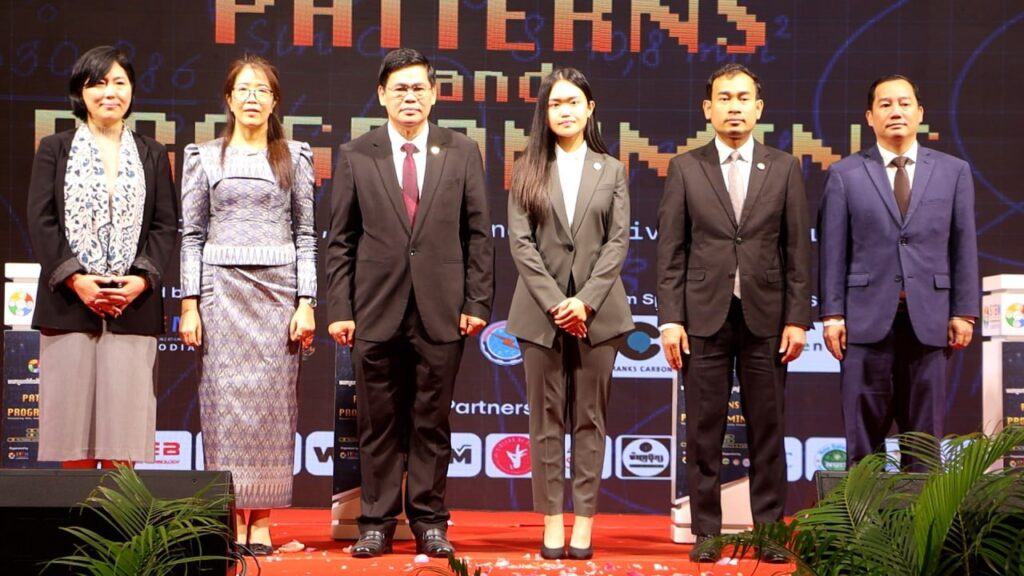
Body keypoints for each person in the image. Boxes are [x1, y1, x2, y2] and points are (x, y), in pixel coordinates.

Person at [326, 48, 494, 559]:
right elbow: (341, 240)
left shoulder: (462, 151)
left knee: (431, 422)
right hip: (374, 309)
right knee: (377, 423)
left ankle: (429, 521)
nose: (410, 97)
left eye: (419, 88)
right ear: (382, 95)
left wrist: (477, 301)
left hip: (441, 309)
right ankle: (375, 523)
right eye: (399, 88)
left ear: (434, 94)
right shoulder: (357, 154)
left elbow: (478, 234)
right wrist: (340, 308)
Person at [656, 63, 811, 563]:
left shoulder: (783, 167)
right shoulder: (686, 167)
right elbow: (671, 251)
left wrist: (797, 318)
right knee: (704, 432)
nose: (734, 107)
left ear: (758, 108)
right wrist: (671, 319)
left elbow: (796, 250)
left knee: (768, 429)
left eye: (743, 98)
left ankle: (768, 533)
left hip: (767, 318)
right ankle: (707, 531)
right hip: (703, 316)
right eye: (724, 98)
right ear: (708, 109)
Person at [178, 55, 317, 555]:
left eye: (262, 90)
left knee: (274, 409)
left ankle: (262, 522)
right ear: (229, 99)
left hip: (278, 298)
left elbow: (306, 234)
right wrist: (190, 304)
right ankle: (230, 519)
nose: (253, 97)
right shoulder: (203, 157)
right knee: (224, 407)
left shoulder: (295, 156)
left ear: (275, 101)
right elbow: (191, 235)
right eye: (244, 89)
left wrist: (306, 301)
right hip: (221, 296)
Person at [27, 45, 178, 469]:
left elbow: (165, 225)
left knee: (123, 437)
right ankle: (74, 516)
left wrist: (141, 280)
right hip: (68, 304)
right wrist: (76, 279)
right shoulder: (54, 148)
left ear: (131, 90)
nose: (109, 92)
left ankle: (119, 516)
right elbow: (41, 221)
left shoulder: (152, 152)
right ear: (81, 92)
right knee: (70, 435)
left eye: (119, 83)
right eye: (97, 83)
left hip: (132, 306)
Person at [818, 74, 979, 470]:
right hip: (864, 323)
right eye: (885, 104)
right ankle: (864, 513)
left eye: (904, 103)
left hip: (929, 322)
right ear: (869, 116)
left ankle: (918, 514)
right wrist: (833, 315)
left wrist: (964, 311)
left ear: (919, 113)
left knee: (923, 444)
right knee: (863, 444)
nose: (896, 111)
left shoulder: (953, 171)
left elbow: (963, 243)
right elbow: (833, 250)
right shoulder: (845, 174)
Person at [506, 67, 633, 561]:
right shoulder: (526, 168)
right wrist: (557, 303)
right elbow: (521, 243)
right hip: (541, 316)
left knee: (590, 421)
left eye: (573, 102)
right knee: (545, 423)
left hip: (599, 316)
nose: (564, 111)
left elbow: (617, 242)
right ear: (545, 111)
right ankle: (552, 523)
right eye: (555, 103)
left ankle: (584, 523)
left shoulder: (612, 170)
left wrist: (586, 300)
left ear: (589, 108)